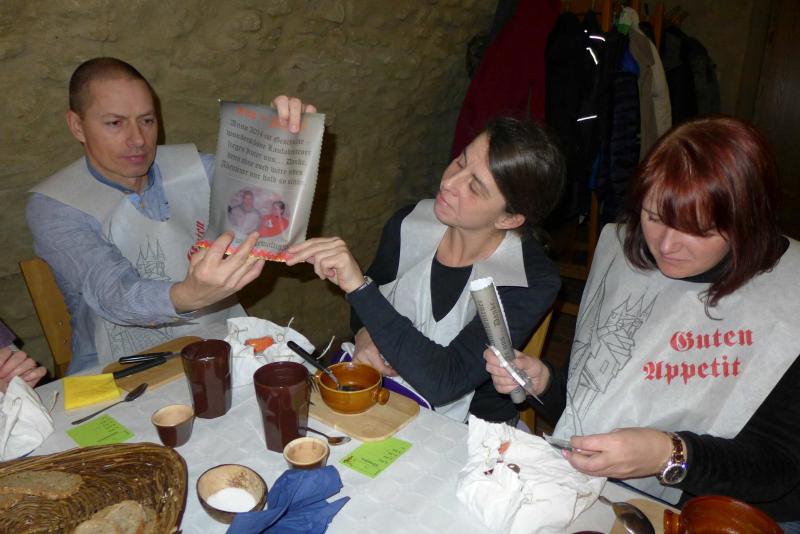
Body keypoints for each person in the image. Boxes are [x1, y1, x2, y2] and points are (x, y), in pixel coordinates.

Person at [484, 117, 800, 523]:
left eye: (698, 230)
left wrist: (669, 454)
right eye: (654, 216)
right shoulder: (629, 263)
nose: (666, 245)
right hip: (614, 493)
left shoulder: (786, 300)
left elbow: (777, 470)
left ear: (746, 221)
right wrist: (544, 383)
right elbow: (598, 409)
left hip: (737, 512)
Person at [26, 57, 314, 373]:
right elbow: (113, 294)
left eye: (147, 120)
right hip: (114, 367)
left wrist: (283, 141)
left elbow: (264, 202)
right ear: (77, 126)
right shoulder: (56, 205)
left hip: (219, 343)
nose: (138, 139)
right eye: (115, 123)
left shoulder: (194, 168)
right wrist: (190, 295)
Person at [287, 117, 564, 423]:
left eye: (474, 187)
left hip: (468, 429)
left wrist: (359, 288)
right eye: (461, 161)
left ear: (508, 219)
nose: (449, 183)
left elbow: (445, 381)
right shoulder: (408, 223)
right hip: (387, 398)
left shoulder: (529, 278)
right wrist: (365, 334)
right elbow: (367, 309)